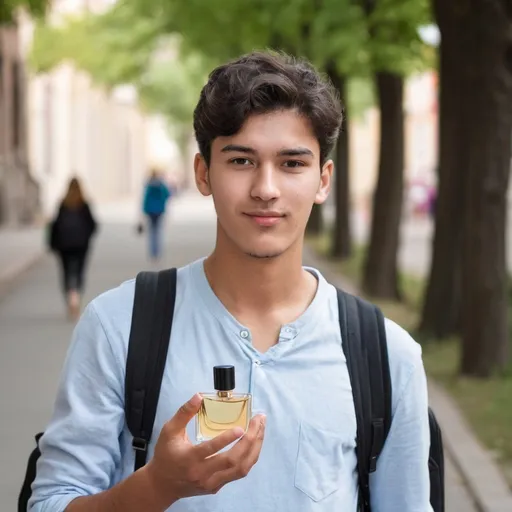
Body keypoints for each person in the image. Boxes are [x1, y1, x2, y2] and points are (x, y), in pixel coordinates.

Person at [30, 52, 431, 511]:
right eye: (241, 160)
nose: (266, 188)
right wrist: (157, 486)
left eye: (292, 164)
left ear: (323, 180)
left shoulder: (386, 356)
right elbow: (50, 503)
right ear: (204, 174)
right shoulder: (118, 326)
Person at [49, 177, 97, 320]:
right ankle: (76, 296)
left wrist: (53, 243)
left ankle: (70, 295)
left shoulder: (63, 204)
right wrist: (86, 236)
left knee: (66, 271)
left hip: (64, 245)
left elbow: (55, 225)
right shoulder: (84, 204)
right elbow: (93, 225)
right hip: (81, 245)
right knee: (79, 271)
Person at [142, 169, 172, 260]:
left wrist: (144, 210)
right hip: (159, 210)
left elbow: (145, 199)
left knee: (151, 231)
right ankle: (158, 251)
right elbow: (168, 194)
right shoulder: (161, 185)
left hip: (150, 211)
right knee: (158, 231)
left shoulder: (149, 185)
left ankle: (153, 251)